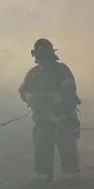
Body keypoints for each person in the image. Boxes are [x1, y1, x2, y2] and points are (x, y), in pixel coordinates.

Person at [18, 39, 82, 181]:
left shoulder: (62, 70)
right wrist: (31, 98)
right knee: (42, 147)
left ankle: (71, 175)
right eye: (39, 57)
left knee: (67, 148)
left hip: (64, 118)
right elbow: (23, 90)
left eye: (44, 57)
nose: (42, 61)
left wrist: (50, 98)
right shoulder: (33, 74)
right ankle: (43, 175)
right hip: (43, 120)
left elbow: (69, 90)